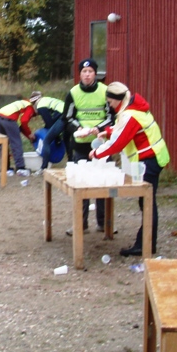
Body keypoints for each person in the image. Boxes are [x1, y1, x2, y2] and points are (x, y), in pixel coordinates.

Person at [90, 82, 169, 257]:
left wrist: (96, 153)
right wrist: (108, 132)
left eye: (110, 102)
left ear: (118, 100)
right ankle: (147, 242)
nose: (109, 105)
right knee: (147, 202)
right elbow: (123, 131)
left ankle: (145, 244)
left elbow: (119, 143)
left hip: (150, 159)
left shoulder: (131, 115)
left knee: (147, 202)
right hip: (153, 157)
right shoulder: (132, 108)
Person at [57, 59, 110, 234]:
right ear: (79, 74)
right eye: (84, 71)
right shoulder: (73, 92)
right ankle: (81, 223)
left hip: (101, 144)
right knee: (81, 184)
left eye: (90, 71)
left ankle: (103, 223)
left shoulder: (105, 91)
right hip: (80, 144)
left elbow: (112, 116)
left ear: (95, 73)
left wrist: (99, 128)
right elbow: (67, 117)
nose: (87, 74)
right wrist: (78, 128)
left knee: (102, 183)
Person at [0, 92, 42, 176]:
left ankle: (5, 168)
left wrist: (28, 136)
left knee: (3, 143)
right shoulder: (29, 107)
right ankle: (20, 168)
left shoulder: (23, 102)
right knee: (16, 143)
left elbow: (20, 127)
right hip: (9, 120)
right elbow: (24, 121)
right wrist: (30, 134)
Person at [34, 95, 66, 169]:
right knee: (66, 140)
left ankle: (43, 167)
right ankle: (72, 163)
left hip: (62, 116)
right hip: (69, 114)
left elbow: (49, 123)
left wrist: (54, 135)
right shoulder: (47, 99)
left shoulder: (40, 105)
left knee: (46, 141)